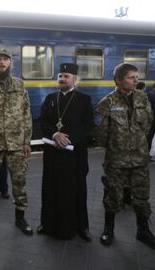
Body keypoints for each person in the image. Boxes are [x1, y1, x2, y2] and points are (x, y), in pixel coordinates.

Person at [94, 63, 155, 249]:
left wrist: (136, 143)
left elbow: (148, 124)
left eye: (137, 77)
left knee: (142, 196)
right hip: (116, 160)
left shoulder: (143, 98)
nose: (136, 80)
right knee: (113, 195)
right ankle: (108, 230)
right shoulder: (107, 102)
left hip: (139, 158)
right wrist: (118, 146)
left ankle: (143, 230)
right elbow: (100, 134)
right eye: (131, 77)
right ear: (119, 80)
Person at [0, 48, 33, 237]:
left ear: (10, 63)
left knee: (19, 182)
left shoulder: (19, 85)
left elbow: (26, 114)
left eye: (6, 59)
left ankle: (21, 218)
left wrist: (27, 141)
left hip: (16, 143)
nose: (2, 63)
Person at [38, 63, 93, 241]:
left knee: (76, 189)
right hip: (53, 154)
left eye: (66, 76)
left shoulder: (84, 100)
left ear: (75, 79)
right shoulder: (50, 98)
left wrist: (67, 139)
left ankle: (81, 227)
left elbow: (88, 126)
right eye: (60, 76)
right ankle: (47, 224)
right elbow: (42, 122)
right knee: (50, 189)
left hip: (74, 155)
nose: (62, 79)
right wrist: (55, 134)